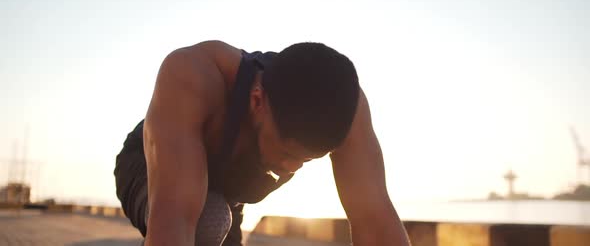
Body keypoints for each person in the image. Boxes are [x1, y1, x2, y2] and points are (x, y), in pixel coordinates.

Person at [114, 40, 411, 246]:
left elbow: (375, 221)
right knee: (210, 218)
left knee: (219, 214)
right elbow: (175, 216)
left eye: (306, 161)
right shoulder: (195, 76)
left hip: (229, 197)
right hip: (152, 170)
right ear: (257, 100)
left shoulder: (344, 107)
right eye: (286, 153)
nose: (291, 168)